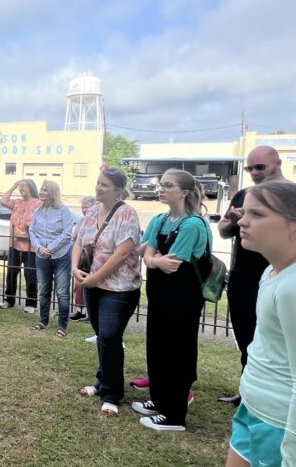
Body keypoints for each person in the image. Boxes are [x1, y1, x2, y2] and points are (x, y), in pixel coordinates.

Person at [218, 181, 296, 467]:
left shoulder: (292, 287)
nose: (242, 222)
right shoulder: (272, 273)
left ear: (294, 227)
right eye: (244, 212)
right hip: (253, 408)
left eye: (257, 214)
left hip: (278, 423)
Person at [132, 169, 212, 431]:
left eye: (168, 186)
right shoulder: (160, 219)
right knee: (158, 347)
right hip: (160, 295)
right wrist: (153, 259)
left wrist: (152, 258)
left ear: (185, 192)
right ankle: (159, 400)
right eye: (160, 185)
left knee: (177, 352)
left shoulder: (191, 224)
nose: (161, 189)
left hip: (182, 299)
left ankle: (174, 414)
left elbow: (172, 265)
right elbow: (146, 251)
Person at [218, 145, 285, 406]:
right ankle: (247, 391)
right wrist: (234, 221)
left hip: (278, 274)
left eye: (260, 167)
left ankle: (273, 397)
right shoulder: (244, 195)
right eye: (250, 168)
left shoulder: (289, 195)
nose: (255, 172)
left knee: (276, 339)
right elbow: (223, 231)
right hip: (243, 278)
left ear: (277, 163)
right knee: (246, 337)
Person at [72, 167, 141, 418]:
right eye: (98, 183)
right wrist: (74, 268)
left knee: (111, 336)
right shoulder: (91, 211)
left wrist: (95, 279)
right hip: (93, 283)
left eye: (104, 185)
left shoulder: (127, 214)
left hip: (119, 288)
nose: (98, 188)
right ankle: (102, 382)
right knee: (101, 335)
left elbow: (122, 253)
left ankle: (112, 394)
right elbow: (79, 241)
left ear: (118, 190)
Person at [29, 180, 76, 337]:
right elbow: (32, 231)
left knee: (62, 292)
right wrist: (39, 247)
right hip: (41, 255)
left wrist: (51, 248)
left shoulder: (64, 211)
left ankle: (62, 325)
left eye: (45, 190)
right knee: (44, 290)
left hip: (61, 256)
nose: (41, 192)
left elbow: (67, 233)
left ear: (53, 193)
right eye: (41, 189)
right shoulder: (38, 211)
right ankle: (43, 321)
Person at [0, 179, 41, 313]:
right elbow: (3, 201)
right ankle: (9, 299)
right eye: (20, 187)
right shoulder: (17, 202)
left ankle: (31, 303)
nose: (21, 189)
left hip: (30, 245)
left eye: (24, 187)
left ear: (31, 188)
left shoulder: (39, 203)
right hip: (14, 243)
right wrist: (13, 185)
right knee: (11, 272)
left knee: (30, 274)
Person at [70, 196, 96, 321]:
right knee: (79, 285)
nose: (84, 210)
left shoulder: (99, 221)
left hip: (95, 259)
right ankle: (80, 310)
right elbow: (75, 239)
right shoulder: (80, 221)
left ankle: (92, 313)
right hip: (82, 257)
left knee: (92, 285)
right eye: (83, 207)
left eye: (87, 207)